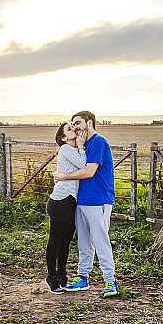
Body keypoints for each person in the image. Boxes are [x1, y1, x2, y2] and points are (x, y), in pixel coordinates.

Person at [52, 111, 117, 297]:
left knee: (100, 239)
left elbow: (89, 172)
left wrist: (63, 177)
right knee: (83, 243)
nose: (76, 127)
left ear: (90, 123)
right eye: (73, 124)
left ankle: (110, 281)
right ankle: (83, 278)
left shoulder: (98, 142)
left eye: (78, 123)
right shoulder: (83, 144)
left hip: (99, 199)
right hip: (82, 199)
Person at [44, 122, 86, 293]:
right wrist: (82, 147)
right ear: (62, 138)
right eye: (69, 129)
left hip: (68, 201)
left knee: (65, 242)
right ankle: (51, 278)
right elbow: (84, 166)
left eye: (73, 127)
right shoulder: (66, 149)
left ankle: (62, 277)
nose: (73, 130)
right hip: (61, 201)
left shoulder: (71, 151)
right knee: (55, 241)